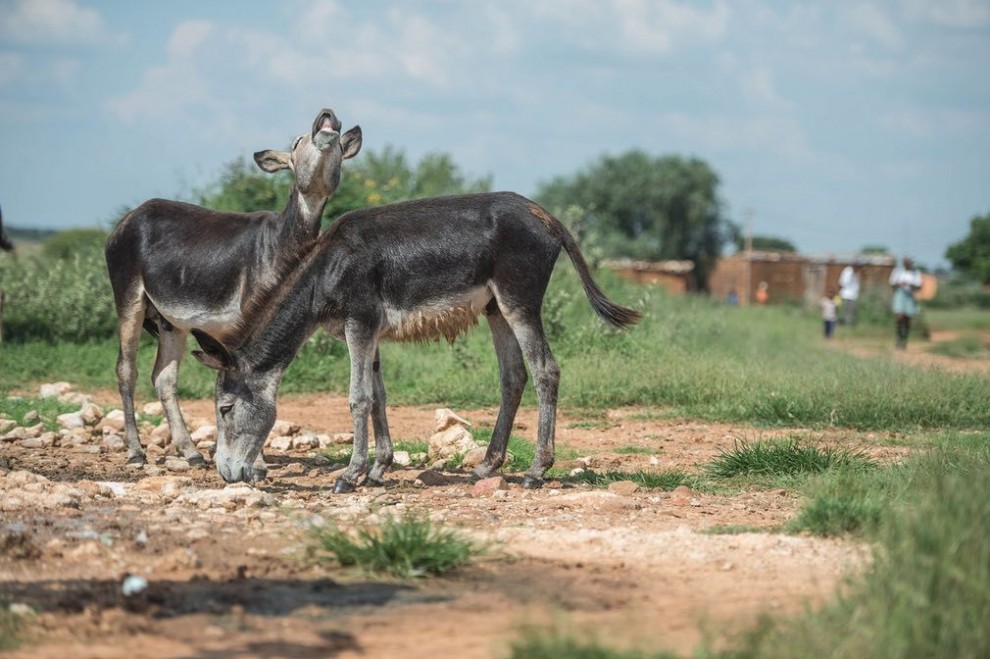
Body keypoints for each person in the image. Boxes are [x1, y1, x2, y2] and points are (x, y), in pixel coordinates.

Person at [889, 256, 922, 349]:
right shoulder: (898, 272)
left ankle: (904, 340)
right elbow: (892, 284)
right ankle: (898, 338)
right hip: (900, 294)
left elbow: (919, 286)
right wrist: (899, 284)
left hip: (910, 296)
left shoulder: (915, 273)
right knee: (899, 317)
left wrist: (910, 285)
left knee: (907, 319)